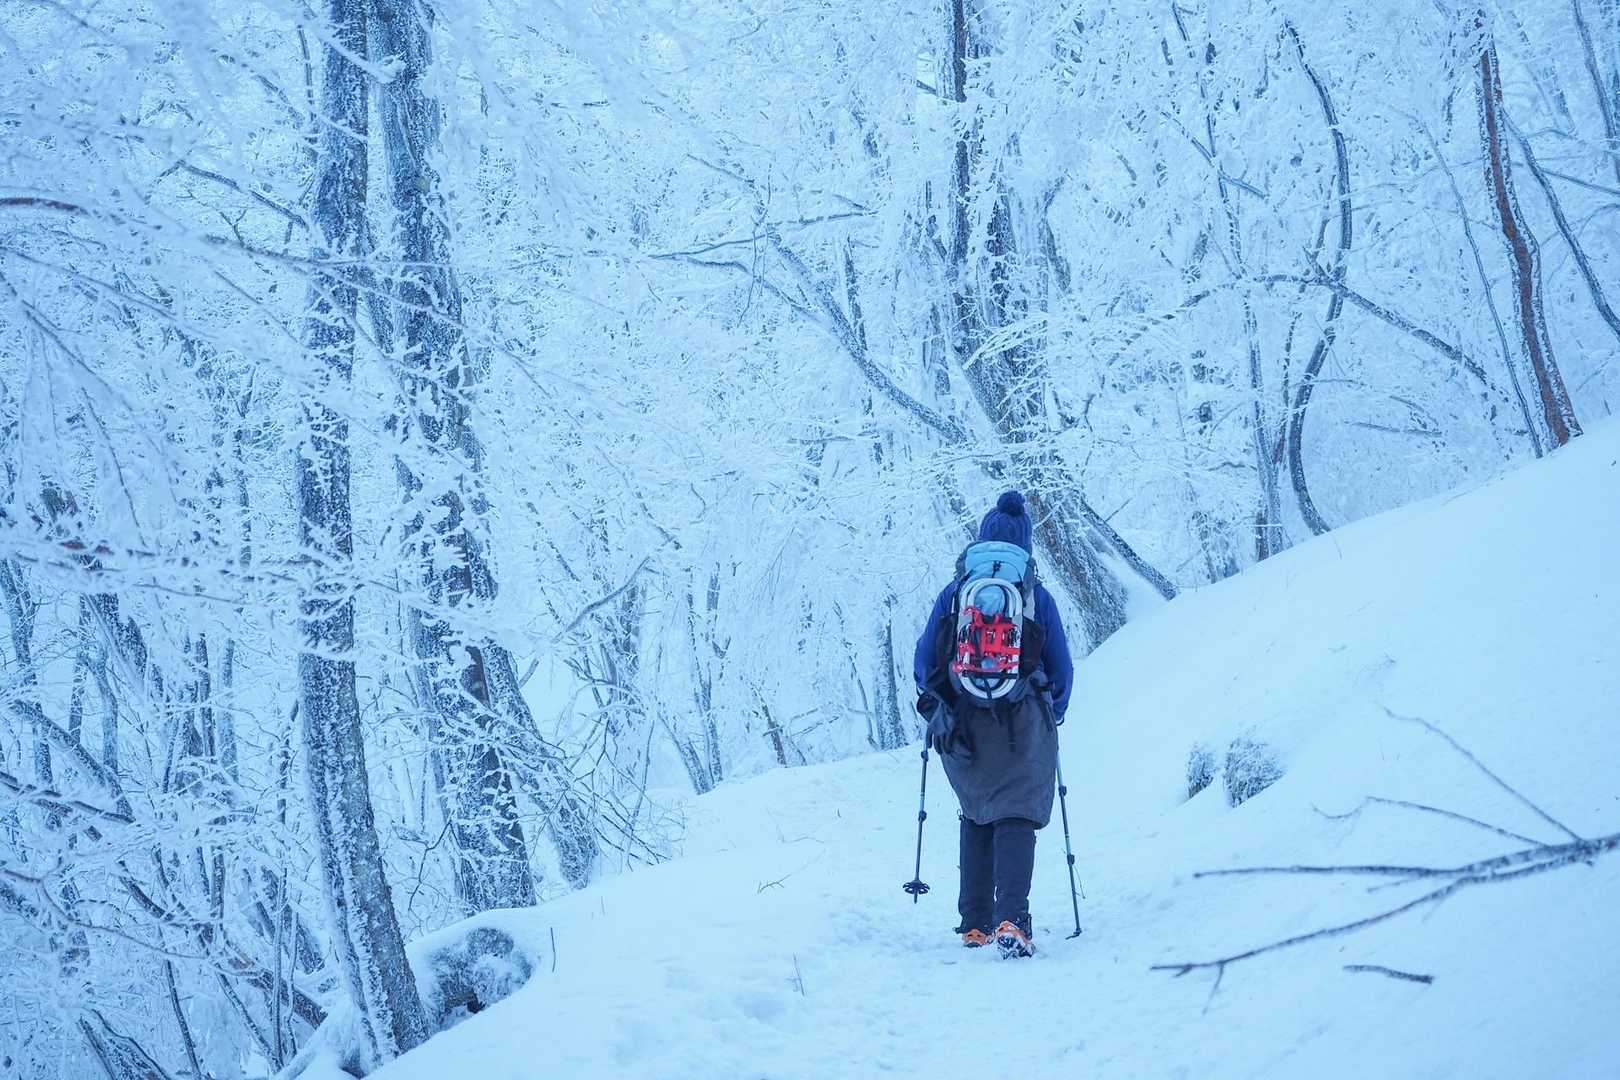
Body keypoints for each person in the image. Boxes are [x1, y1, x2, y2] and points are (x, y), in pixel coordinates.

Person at [913, 490, 1073, 958]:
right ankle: (1013, 920)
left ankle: (975, 925)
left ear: (980, 540)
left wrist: (942, 703)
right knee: (1016, 812)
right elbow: (1061, 668)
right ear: (1026, 545)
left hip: (962, 721)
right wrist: (1055, 712)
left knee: (977, 810)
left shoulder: (954, 593)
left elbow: (924, 661)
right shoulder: (1035, 596)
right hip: (1023, 722)